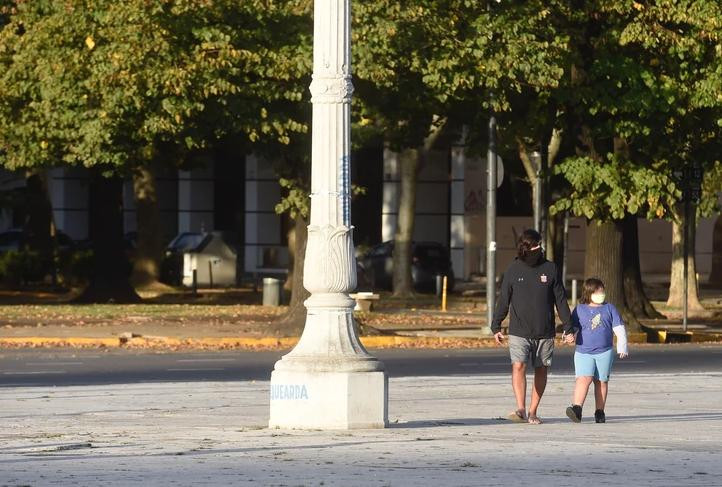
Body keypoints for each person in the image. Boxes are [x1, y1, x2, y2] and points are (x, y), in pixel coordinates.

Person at [491, 229, 573, 425]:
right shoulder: (513, 269)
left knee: (541, 369)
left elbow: (560, 300)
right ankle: (520, 408)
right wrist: (496, 326)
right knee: (518, 365)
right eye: (536, 245)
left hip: (544, 330)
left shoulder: (550, 268)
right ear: (526, 248)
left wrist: (568, 327)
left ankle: (533, 410)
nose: (540, 249)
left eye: (540, 245)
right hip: (519, 330)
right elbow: (503, 300)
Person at [565, 278, 628, 423]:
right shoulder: (580, 309)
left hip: (604, 351)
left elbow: (619, 328)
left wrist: (622, 347)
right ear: (589, 293)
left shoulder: (609, 308)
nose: (601, 294)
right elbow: (573, 327)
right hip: (583, 351)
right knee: (583, 379)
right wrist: (568, 336)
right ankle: (577, 409)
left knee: (601, 381)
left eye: (602, 291)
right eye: (598, 291)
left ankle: (600, 411)